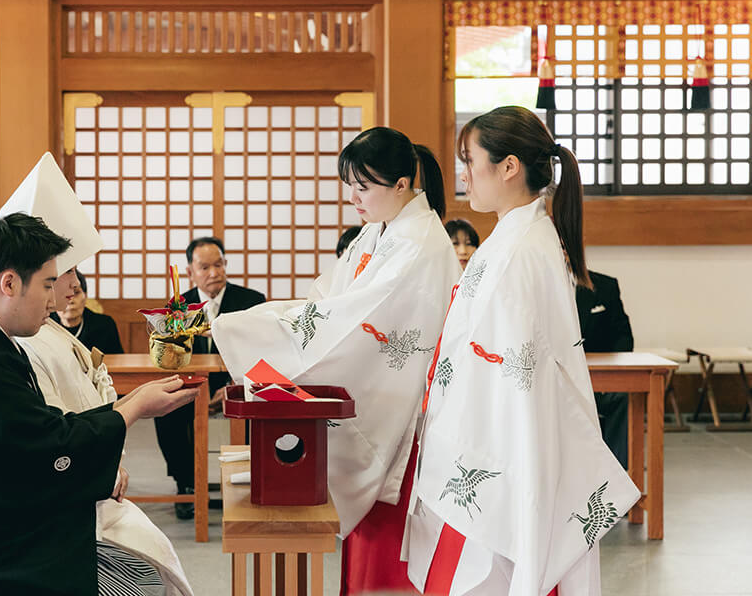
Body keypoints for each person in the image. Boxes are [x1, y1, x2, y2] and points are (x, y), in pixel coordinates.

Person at [0, 213, 198, 596]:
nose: (54, 299)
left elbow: (39, 431)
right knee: (139, 574)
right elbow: (49, 445)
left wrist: (131, 402)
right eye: (48, 284)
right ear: (10, 283)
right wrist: (132, 410)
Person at [212, 127, 461, 595]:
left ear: (402, 184)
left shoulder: (421, 245)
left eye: (363, 187)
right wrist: (262, 321)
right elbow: (327, 300)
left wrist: (249, 328)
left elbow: (359, 321)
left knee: (389, 556)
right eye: (350, 185)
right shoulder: (378, 232)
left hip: (402, 412)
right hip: (381, 396)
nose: (353, 198)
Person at [404, 106, 639, 596]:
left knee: (491, 569)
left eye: (470, 160)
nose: (463, 173)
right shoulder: (517, 236)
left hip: (500, 437)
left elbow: (514, 368)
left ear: (509, 167)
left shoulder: (520, 248)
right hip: (497, 430)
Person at [0, 152, 194, 595]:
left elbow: (91, 401)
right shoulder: (22, 340)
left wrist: (115, 448)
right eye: (60, 274)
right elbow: (50, 432)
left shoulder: (47, 328)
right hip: (59, 506)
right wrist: (128, 416)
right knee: (147, 577)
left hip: (91, 478)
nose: (70, 286)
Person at [153, 236, 265, 519]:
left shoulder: (252, 301)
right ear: (190, 272)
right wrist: (197, 391)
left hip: (238, 385)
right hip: (193, 385)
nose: (214, 272)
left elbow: (261, 355)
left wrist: (231, 388)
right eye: (205, 267)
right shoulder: (178, 306)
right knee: (167, 413)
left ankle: (252, 481)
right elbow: (174, 358)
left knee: (261, 406)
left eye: (219, 264)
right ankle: (186, 484)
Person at [576, 271, 634, 470]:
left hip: (598, 376)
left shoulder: (605, 285)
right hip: (556, 380)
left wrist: (613, 372)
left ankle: (616, 472)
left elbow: (623, 335)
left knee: (621, 395)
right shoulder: (540, 284)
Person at [50, 270, 124, 356]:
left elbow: (117, 359)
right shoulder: (46, 325)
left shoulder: (105, 324)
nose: (71, 300)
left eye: (76, 293)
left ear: (85, 296)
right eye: (63, 294)